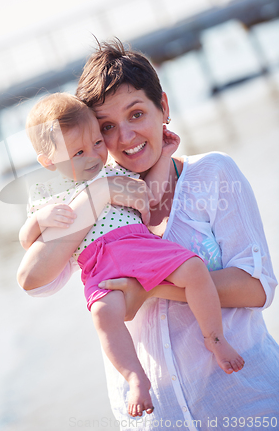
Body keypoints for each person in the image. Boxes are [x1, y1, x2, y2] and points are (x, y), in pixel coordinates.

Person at [17, 41, 279, 430]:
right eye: (106, 127)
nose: (123, 137)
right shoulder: (88, 201)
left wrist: (151, 289)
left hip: (247, 404)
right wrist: (98, 196)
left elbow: (258, 288)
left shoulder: (211, 174)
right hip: (156, 418)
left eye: (137, 113)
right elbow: (31, 279)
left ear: (164, 108)